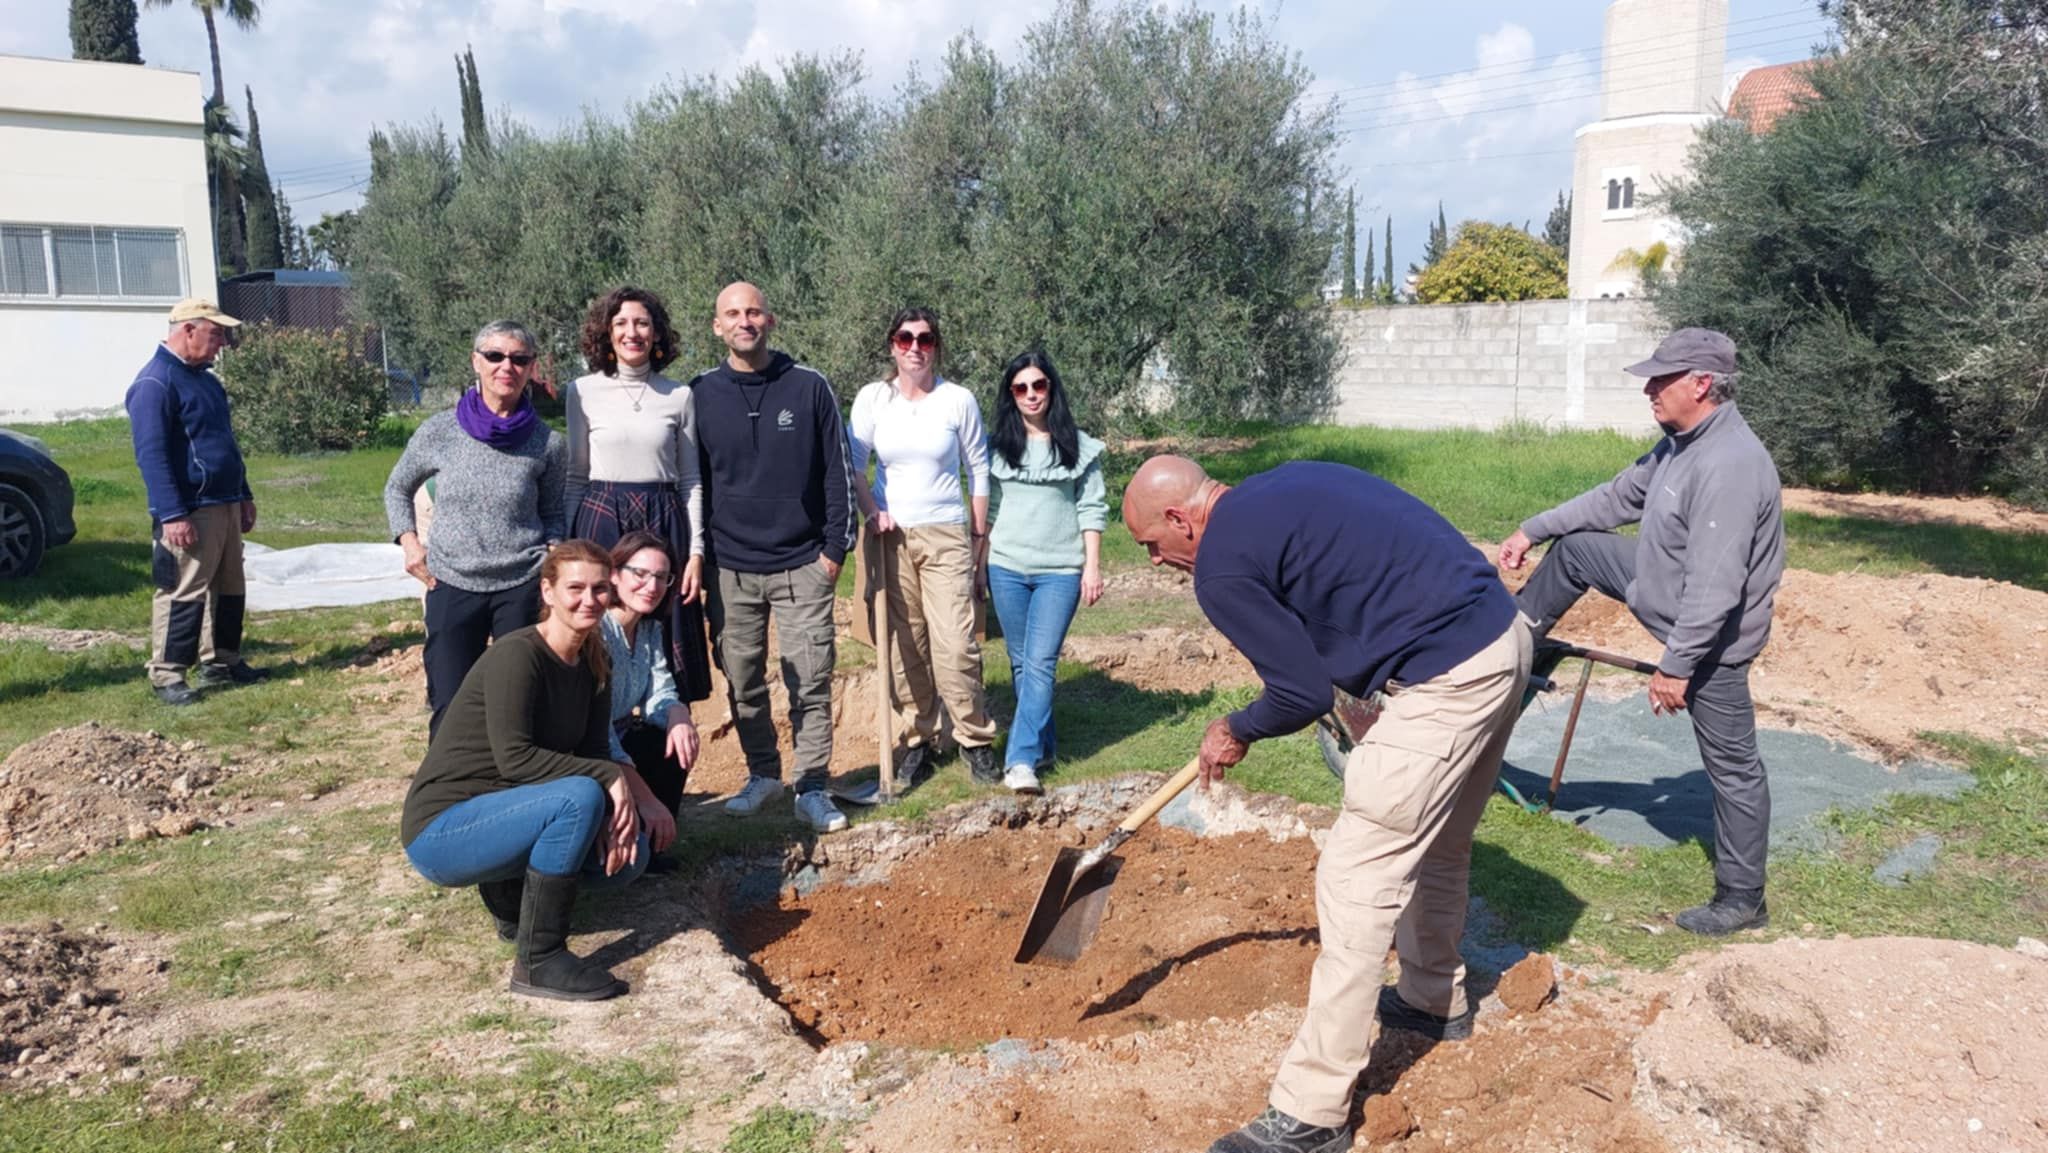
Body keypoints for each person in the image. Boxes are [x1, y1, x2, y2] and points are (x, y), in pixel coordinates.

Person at [1123, 455, 1529, 1153]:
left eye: (1152, 546)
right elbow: (1354, 590)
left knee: (1355, 875)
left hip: (1449, 678)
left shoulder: (1219, 563)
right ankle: (1433, 999)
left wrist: (1234, 728)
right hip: (1503, 637)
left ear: (1181, 520)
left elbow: (1299, 694)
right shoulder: (1282, 483)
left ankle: (1311, 1111)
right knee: (1438, 842)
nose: (1158, 562)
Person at [1500, 327, 1785, 937]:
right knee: (1578, 549)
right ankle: (1511, 641)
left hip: (1712, 639)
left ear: (1701, 384)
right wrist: (1532, 529)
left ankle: (1742, 899)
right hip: (1666, 587)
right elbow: (1613, 500)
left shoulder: (1730, 465)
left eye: (1661, 379)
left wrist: (1677, 666)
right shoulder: (1678, 445)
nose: (1649, 389)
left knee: (1733, 767)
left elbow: (1715, 590)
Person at [399, 540, 663, 1003]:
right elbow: (515, 760)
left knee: (630, 857)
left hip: (511, 812)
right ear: (547, 591)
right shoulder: (517, 655)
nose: (589, 600)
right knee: (579, 795)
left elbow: (594, 749)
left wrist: (611, 801)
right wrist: (611, 780)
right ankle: (539, 959)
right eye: (575, 587)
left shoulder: (594, 661)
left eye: (600, 588)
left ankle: (509, 897)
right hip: (443, 831)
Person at [690, 282, 857, 834]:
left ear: (771, 320)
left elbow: (837, 473)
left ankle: (811, 786)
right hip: (730, 569)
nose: (745, 321)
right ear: (717, 327)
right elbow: (695, 483)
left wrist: (834, 552)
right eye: (733, 313)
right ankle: (763, 774)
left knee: (810, 677)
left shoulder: (808, 387)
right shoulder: (700, 394)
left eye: (754, 311)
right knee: (741, 679)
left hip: (802, 564)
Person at [384, 321, 566, 736]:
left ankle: (514, 791)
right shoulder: (440, 430)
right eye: (495, 356)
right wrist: (411, 544)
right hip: (451, 582)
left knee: (518, 699)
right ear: (476, 362)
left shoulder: (547, 443)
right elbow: (397, 488)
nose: (507, 367)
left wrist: (553, 556)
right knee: (450, 700)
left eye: (519, 359)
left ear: (531, 367)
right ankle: (447, 794)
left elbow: (554, 513)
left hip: (520, 585)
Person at [847, 309, 1000, 786]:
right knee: (904, 642)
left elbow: (979, 470)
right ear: (891, 345)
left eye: (926, 339)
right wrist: (872, 510)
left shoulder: (957, 400)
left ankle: (974, 738)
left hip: (947, 533)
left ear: (937, 346)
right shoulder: (874, 399)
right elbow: (854, 465)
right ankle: (920, 738)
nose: (915, 347)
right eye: (905, 338)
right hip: (889, 535)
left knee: (955, 643)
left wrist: (978, 540)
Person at [566, 286, 713, 705]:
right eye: (621, 323)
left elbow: (690, 479)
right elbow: (576, 476)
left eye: (642, 323)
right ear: (607, 334)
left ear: (657, 334)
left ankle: (666, 729)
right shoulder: (582, 391)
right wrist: (565, 544)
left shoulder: (680, 395)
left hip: (664, 520)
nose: (632, 332)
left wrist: (696, 551)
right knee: (600, 622)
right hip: (601, 517)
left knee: (666, 627)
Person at [126, 298, 269, 706]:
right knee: (183, 590)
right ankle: (168, 674)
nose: (223, 343)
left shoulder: (206, 381)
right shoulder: (155, 383)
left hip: (223, 501)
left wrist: (243, 494)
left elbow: (226, 444)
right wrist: (172, 513)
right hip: (189, 508)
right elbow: (151, 455)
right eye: (216, 333)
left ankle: (221, 660)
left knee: (229, 587)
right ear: (188, 329)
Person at [983, 351, 1106, 794]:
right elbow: (991, 512)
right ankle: (1045, 745)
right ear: (1011, 395)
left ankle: (1019, 761)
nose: (1031, 395)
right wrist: (980, 566)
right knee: (1020, 663)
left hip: (1060, 571)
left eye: (1039, 386)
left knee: (1040, 662)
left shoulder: (1079, 446)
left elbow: (1091, 509)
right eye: (1021, 388)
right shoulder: (998, 449)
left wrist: (1092, 567)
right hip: (1007, 568)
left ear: (1051, 389)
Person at [601, 530, 699, 871]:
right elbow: (596, 731)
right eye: (640, 574)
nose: (652, 586)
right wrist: (642, 795)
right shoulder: (597, 632)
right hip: (592, 749)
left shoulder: (648, 630)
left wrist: (677, 713)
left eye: (661, 577)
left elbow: (661, 689)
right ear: (614, 574)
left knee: (673, 738)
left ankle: (654, 843)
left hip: (621, 737)